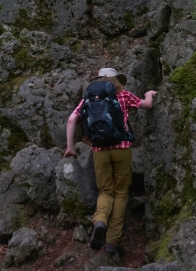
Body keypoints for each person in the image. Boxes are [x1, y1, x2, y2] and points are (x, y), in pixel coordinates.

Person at [64, 68, 157, 254]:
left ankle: (100, 221)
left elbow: (71, 120)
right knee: (121, 193)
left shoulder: (89, 99)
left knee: (105, 191)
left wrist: (70, 148)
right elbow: (146, 105)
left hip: (100, 151)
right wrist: (149, 94)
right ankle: (112, 242)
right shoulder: (123, 95)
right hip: (122, 149)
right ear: (116, 81)